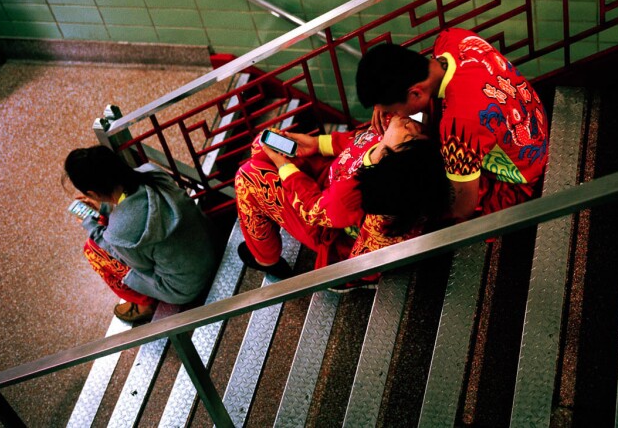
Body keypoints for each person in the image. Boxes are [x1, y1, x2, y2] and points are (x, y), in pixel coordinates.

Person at [355, 28, 549, 220]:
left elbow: (462, 209)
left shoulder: (458, 128)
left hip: (524, 167)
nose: (393, 115)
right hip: (532, 113)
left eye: (394, 110)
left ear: (415, 93)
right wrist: (382, 99)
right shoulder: (451, 38)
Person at [234, 116, 450, 279]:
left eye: (412, 136)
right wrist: (317, 143)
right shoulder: (387, 132)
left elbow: (314, 211)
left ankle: (266, 258)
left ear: (390, 161)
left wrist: (284, 167)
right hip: (327, 176)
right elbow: (356, 141)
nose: (411, 125)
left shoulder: (355, 193)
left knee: (247, 179)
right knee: (261, 144)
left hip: (322, 217)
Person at [64, 146, 217, 324]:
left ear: (92, 193)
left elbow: (141, 268)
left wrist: (91, 225)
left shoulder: (118, 231)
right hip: (211, 244)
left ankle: (144, 304)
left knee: (93, 250)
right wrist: (105, 207)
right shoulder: (151, 173)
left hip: (186, 288)